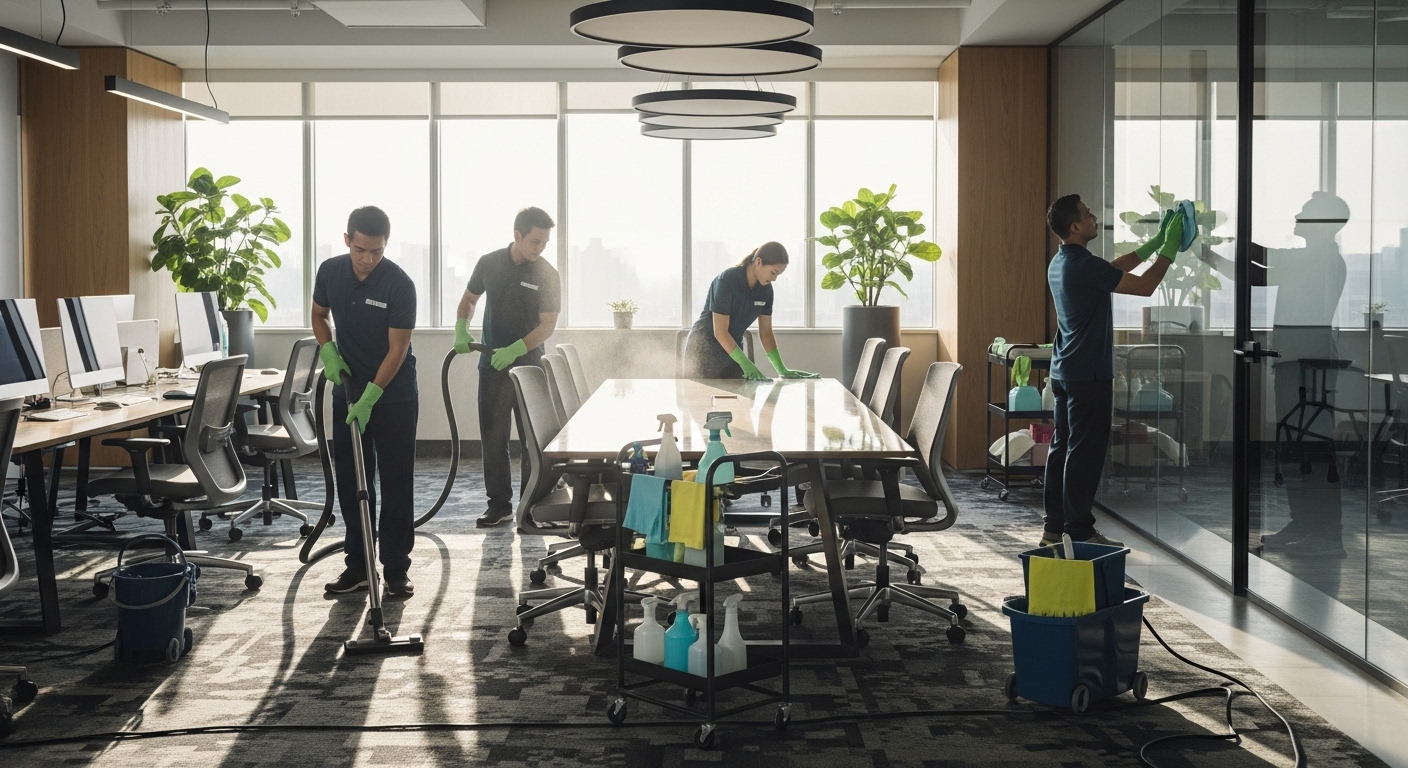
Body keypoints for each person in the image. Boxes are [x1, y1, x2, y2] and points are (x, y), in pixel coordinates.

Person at [1200, 192, 1350, 557]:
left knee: (1312, 446)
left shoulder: (1320, 258)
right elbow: (1256, 272)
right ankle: (1306, 524)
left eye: (1306, 212)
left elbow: (1255, 267)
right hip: (1299, 360)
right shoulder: (1315, 258)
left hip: (1307, 362)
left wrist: (1212, 246)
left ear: (1323, 223)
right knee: (1300, 444)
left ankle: (1327, 535)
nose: (1297, 214)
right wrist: (1211, 252)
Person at [1041, 194, 1184, 548]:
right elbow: (1145, 286)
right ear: (1075, 227)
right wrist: (1169, 250)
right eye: (1088, 215)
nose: (1095, 219)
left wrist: (1152, 244)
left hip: (1065, 372)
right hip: (1088, 374)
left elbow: (1112, 269)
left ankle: (1053, 529)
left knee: (1062, 449)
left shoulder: (1063, 261)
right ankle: (1080, 531)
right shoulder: (1083, 266)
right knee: (1085, 454)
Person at [312, 206, 420, 597]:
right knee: (352, 482)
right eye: (360, 249)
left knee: (395, 483)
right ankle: (357, 565)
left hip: (394, 396)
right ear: (347, 240)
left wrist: (373, 395)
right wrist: (329, 352)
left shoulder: (398, 284)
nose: (367, 259)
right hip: (348, 391)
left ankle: (395, 569)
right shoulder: (329, 272)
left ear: (385, 245)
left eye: (376, 251)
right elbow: (319, 315)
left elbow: (398, 349)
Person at [453, 207, 560, 529]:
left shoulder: (547, 274)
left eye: (544, 243)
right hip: (492, 366)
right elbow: (469, 299)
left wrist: (515, 349)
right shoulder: (489, 263)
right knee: (493, 439)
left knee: (532, 441)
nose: (539, 248)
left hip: (530, 368)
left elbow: (548, 325)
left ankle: (533, 505)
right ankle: (498, 506)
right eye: (535, 241)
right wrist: (461, 327)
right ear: (517, 235)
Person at [683, 242, 819, 381]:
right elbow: (721, 332)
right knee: (702, 400)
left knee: (743, 398)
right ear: (758, 262)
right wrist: (746, 364)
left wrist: (781, 369)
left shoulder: (766, 290)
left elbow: (766, 333)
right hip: (703, 349)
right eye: (773, 272)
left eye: (778, 275)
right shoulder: (726, 281)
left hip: (733, 352)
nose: (774, 279)